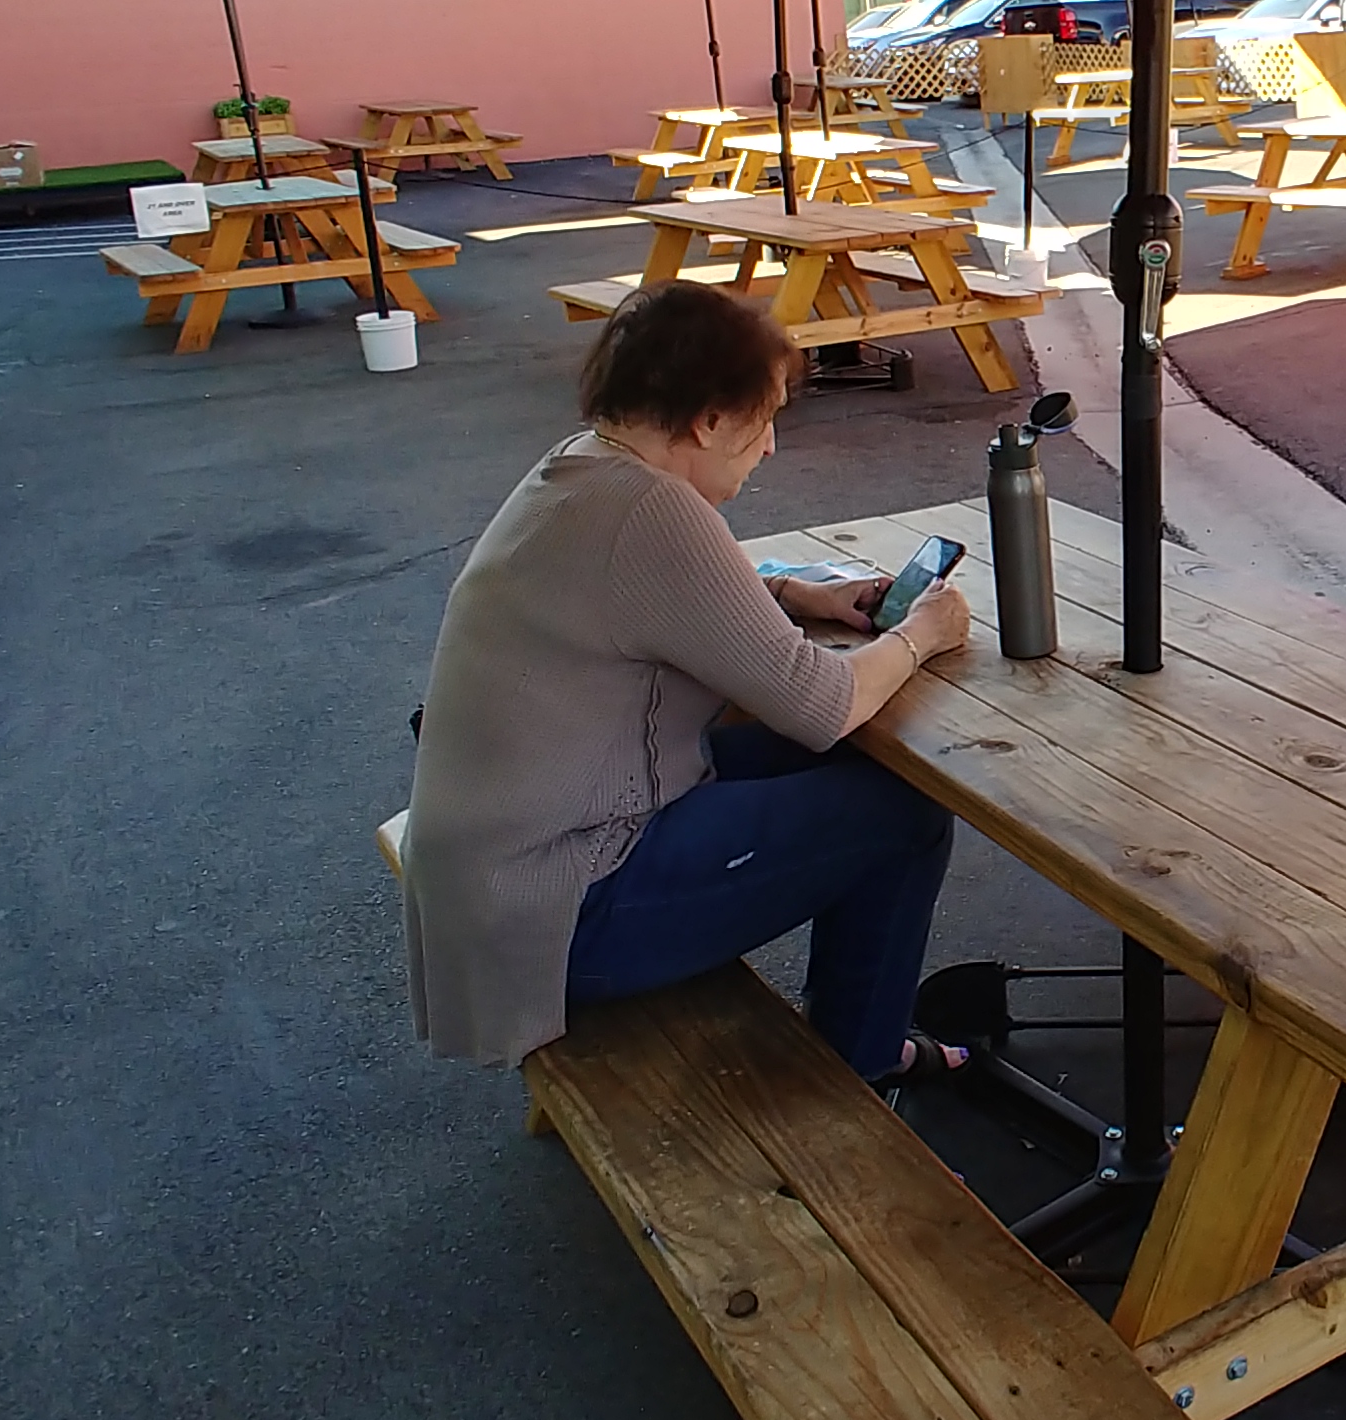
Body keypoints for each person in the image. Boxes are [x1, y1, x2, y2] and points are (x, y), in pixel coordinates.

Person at [403, 281, 970, 1087]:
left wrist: (796, 594)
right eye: (764, 418)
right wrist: (922, 634)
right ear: (709, 420)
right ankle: (865, 1060)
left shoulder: (583, 465)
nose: (769, 446)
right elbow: (825, 705)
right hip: (561, 906)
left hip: (502, 865)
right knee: (904, 811)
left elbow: (662, 597)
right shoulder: (653, 509)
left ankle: (861, 1036)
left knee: (858, 773)